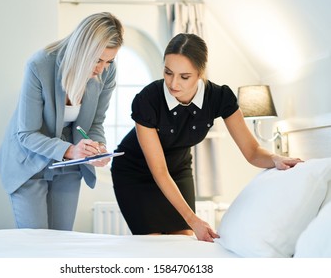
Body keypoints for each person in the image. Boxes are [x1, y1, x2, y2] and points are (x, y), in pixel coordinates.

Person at [111, 33, 302, 242]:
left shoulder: (219, 97)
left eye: (184, 76)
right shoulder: (148, 99)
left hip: (178, 169)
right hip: (134, 171)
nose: (173, 83)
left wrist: (275, 159)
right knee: (154, 241)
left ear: (200, 73)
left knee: (183, 240)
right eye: (168, 72)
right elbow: (159, 171)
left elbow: (252, 152)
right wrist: (195, 220)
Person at [0, 12, 124, 230]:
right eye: (97, 60)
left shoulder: (107, 72)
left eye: (108, 61)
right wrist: (71, 150)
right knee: (36, 244)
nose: (102, 68)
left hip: (69, 166)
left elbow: (94, 124)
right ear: (82, 51)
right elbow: (26, 134)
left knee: (62, 240)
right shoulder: (40, 65)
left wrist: (96, 149)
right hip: (30, 161)